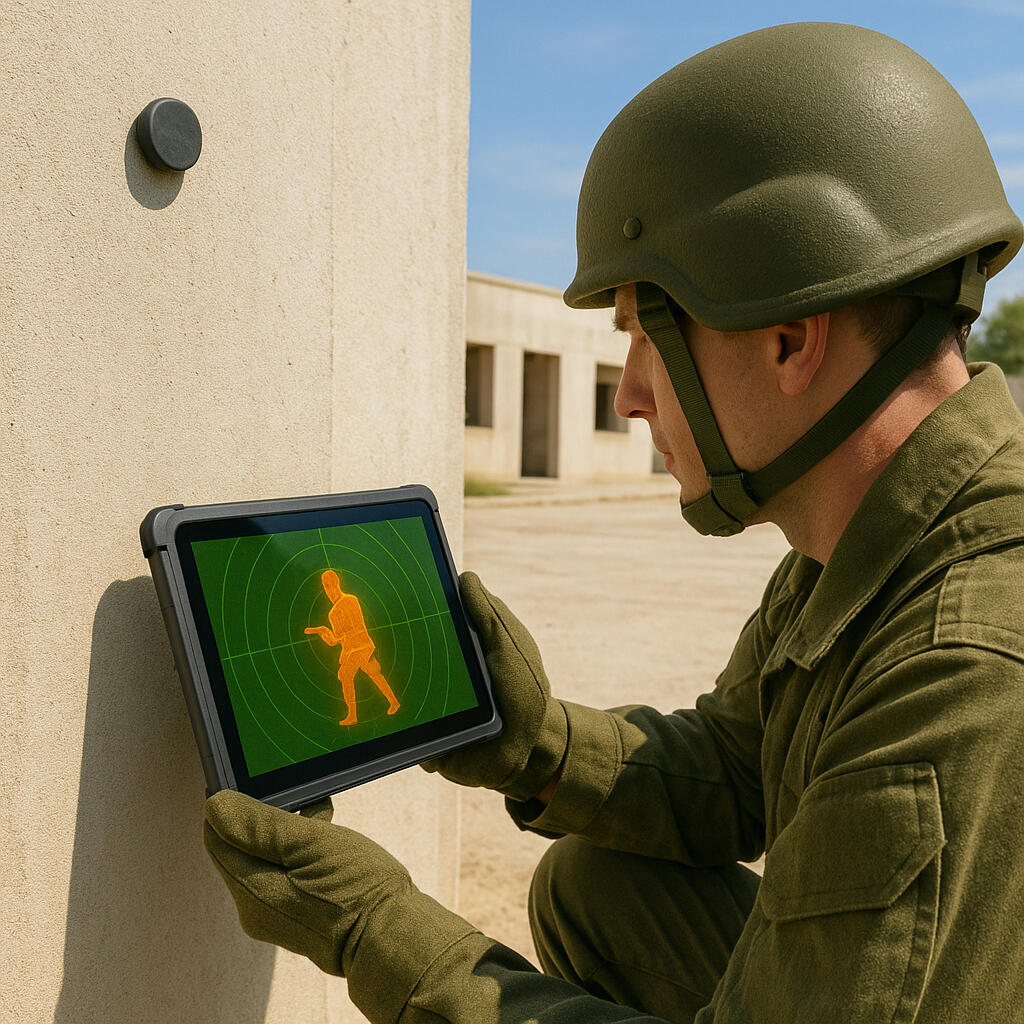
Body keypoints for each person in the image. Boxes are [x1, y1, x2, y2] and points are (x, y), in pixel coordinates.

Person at [201, 22, 1024, 1022]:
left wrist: (372, 930)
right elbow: (737, 771)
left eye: (645, 333)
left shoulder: (967, 663)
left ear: (789, 339)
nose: (631, 394)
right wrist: (537, 745)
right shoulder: (869, 539)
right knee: (597, 887)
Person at [304, 568, 400, 725]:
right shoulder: (332, 614)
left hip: (361, 646)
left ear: (337, 582)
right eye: (325, 586)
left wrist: (345, 644)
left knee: (351, 675)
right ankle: (391, 703)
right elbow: (334, 641)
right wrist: (321, 631)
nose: (328, 590)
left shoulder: (350, 600)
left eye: (329, 584)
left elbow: (357, 627)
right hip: (351, 650)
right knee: (367, 674)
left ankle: (355, 715)